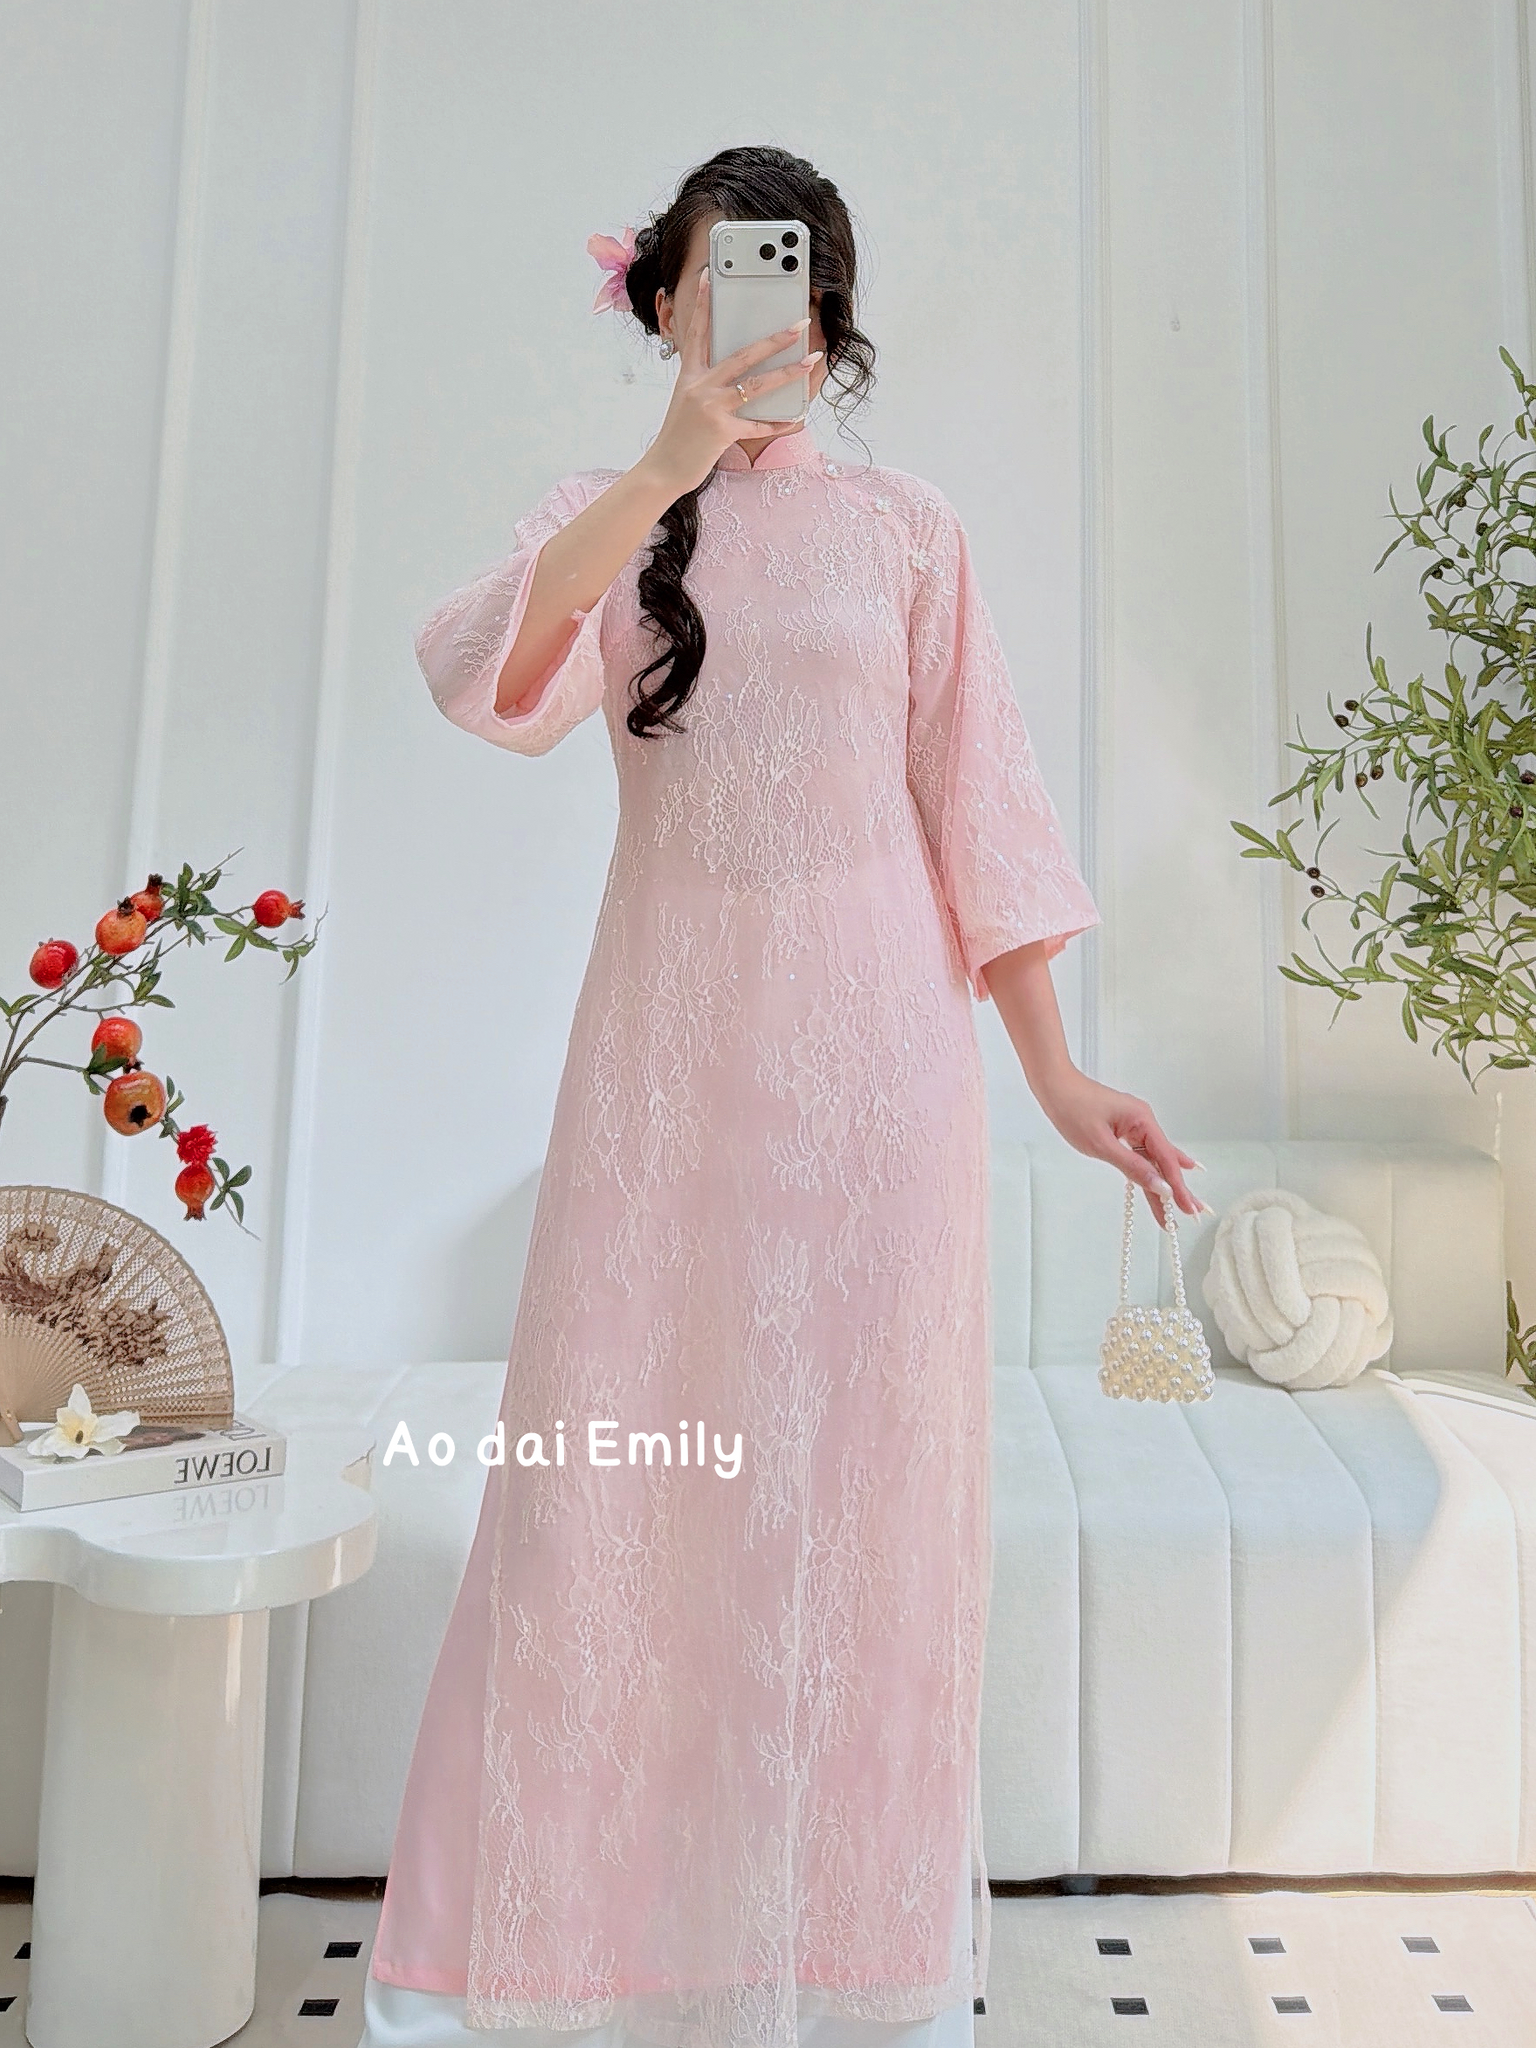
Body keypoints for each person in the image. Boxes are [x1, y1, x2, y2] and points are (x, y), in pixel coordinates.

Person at [358, 144, 1203, 2048]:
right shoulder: (601, 519)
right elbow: (484, 677)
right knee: (605, 1502)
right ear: (665, 304)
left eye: (800, 281)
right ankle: (552, 1972)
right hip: (663, 1077)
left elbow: (978, 806)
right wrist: (666, 465)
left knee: (861, 1518)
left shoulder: (909, 532)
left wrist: (1056, 1074)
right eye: (727, 278)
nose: (768, 314)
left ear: (831, 319)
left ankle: (847, 1976)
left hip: (882, 1085)